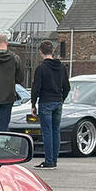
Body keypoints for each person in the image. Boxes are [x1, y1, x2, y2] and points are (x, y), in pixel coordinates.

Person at [30, 40, 70, 169]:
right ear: (53, 51)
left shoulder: (41, 68)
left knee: (47, 132)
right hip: (58, 102)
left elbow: (36, 88)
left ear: (40, 52)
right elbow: (67, 87)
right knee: (56, 131)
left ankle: (48, 161)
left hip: (46, 102)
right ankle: (54, 160)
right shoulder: (62, 68)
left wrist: (33, 104)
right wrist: (61, 99)